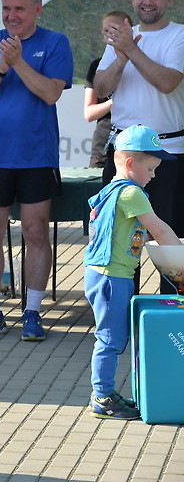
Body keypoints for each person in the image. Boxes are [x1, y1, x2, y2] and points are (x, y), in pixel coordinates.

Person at [0, 0, 73, 341]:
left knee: (35, 232)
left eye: (20, 9)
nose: (11, 16)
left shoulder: (55, 42)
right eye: (6, 8)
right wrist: (1, 67)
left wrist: (18, 61)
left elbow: (50, 93)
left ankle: (32, 311)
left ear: (37, 9)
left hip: (37, 156)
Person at [91, 0, 184, 295]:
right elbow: (100, 89)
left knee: (167, 237)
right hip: (123, 156)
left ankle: (171, 311)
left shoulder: (178, 35)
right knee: (119, 237)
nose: (148, 2)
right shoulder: (121, 37)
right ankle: (120, 310)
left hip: (167, 153)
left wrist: (131, 49)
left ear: (169, 0)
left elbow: (167, 82)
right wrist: (120, 57)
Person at [84, 125, 181, 420]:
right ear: (129, 164)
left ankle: (106, 393)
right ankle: (102, 397)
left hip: (108, 275)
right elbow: (160, 231)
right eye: (150, 169)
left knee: (113, 337)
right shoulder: (131, 193)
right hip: (112, 277)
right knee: (110, 339)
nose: (153, 175)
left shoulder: (112, 191)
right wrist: (180, 262)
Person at [84, 12, 130, 168]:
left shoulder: (141, 61)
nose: (109, 34)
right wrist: (114, 101)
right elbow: (89, 113)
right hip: (103, 148)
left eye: (114, 29)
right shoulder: (97, 66)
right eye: (106, 30)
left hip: (134, 145)